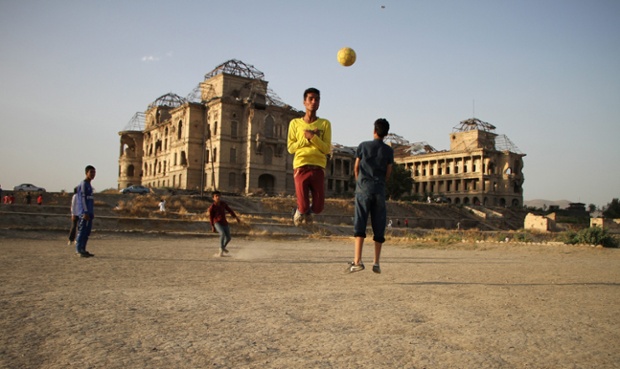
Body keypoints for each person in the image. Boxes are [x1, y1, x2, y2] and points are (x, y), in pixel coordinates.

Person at [347, 118, 394, 274]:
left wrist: (359, 182)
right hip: (379, 189)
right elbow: (388, 172)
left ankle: (357, 260)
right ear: (386, 134)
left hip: (363, 188)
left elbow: (356, 168)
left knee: (360, 223)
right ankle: (376, 262)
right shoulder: (388, 151)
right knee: (378, 225)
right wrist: (380, 183)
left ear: (374, 130)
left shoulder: (363, 146)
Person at [287, 87, 332, 226]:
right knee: (304, 205)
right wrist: (305, 139)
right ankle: (300, 211)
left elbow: (326, 149)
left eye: (317, 99)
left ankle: (307, 213)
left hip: (318, 167)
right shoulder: (295, 123)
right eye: (311, 99)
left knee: (318, 207)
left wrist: (313, 137)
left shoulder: (325, 124)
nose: (314, 102)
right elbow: (290, 148)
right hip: (301, 166)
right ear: (304, 102)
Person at [208, 191, 240, 257]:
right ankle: (221, 250)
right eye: (216, 196)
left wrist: (236, 217)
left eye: (219, 196)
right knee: (222, 234)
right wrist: (212, 226)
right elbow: (211, 217)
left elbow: (230, 210)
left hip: (224, 222)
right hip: (217, 222)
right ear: (213, 198)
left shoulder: (223, 204)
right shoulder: (212, 207)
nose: (218, 197)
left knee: (228, 238)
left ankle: (223, 247)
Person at [75, 165, 96, 258]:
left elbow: (89, 200)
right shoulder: (83, 184)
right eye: (91, 172)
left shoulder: (89, 185)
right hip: (84, 213)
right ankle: (78, 249)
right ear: (86, 173)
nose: (93, 174)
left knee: (87, 232)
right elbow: (82, 199)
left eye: (94, 172)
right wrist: (85, 212)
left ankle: (83, 249)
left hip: (89, 212)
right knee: (82, 230)